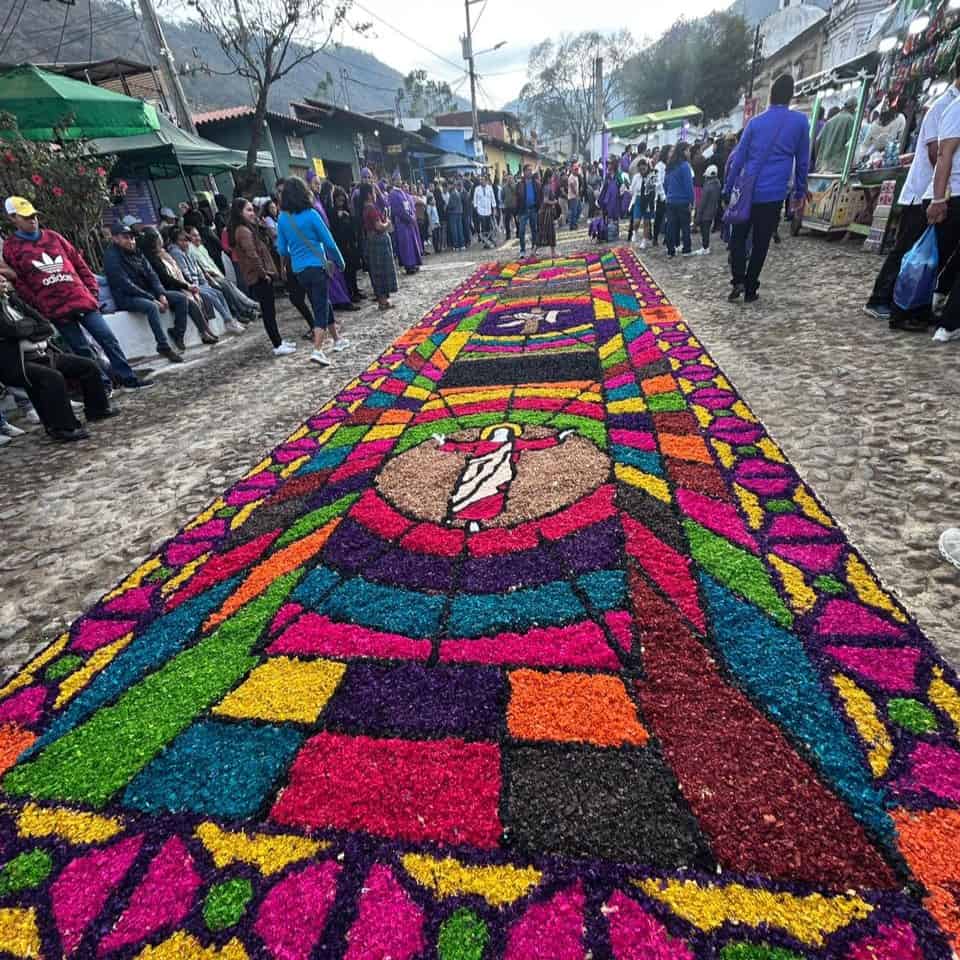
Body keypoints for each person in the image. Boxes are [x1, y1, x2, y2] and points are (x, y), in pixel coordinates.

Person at [2, 197, 150, 390]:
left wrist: (92, 290)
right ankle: (102, 385)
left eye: (34, 216)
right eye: (26, 217)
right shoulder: (12, 247)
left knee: (107, 338)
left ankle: (128, 378)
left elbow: (79, 263)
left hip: (81, 299)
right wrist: (42, 305)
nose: (32, 220)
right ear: (13, 218)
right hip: (55, 307)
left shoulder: (54, 237)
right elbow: (19, 282)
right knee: (81, 349)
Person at [865, 65, 960, 325]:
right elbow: (935, 151)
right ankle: (881, 298)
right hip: (923, 191)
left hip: (934, 190)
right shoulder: (943, 106)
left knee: (926, 254)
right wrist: (941, 190)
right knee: (908, 250)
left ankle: (912, 303)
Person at [724, 74, 810, 303]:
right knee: (761, 242)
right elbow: (803, 161)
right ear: (790, 94)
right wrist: (800, 192)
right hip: (773, 194)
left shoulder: (755, 123)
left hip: (748, 191)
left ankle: (738, 280)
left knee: (739, 238)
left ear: (771, 95)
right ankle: (751, 287)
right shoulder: (800, 122)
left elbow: (738, 158)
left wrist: (728, 187)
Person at [0, 275, 118, 441]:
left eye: (4, 279)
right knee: (52, 377)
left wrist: (27, 329)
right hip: (16, 362)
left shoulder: (14, 301)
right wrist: (30, 327)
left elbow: (45, 325)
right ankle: (62, 428)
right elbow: (11, 331)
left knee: (87, 366)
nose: (4, 282)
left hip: (44, 354)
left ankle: (97, 410)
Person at [276, 175, 349, 367]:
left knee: (322, 300)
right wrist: (340, 262)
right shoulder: (311, 214)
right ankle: (317, 349)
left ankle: (337, 339)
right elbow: (329, 242)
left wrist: (283, 266)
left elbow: (282, 249)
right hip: (317, 266)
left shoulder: (283, 218)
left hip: (299, 270)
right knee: (320, 308)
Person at [103, 222, 186, 364]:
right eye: (125, 237)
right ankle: (163, 346)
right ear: (115, 239)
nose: (130, 241)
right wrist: (152, 298)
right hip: (126, 297)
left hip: (148, 293)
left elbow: (152, 274)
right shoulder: (111, 257)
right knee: (151, 307)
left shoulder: (137, 252)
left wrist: (160, 294)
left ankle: (178, 333)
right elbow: (124, 284)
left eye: (132, 238)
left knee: (181, 298)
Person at [229, 198, 296, 357]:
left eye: (253, 209)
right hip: (258, 277)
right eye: (249, 210)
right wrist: (263, 274)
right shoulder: (243, 231)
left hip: (260, 275)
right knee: (268, 312)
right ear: (240, 212)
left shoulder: (247, 228)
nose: (252, 213)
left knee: (270, 311)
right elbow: (252, 255)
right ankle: (277, 344)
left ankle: (278, 340)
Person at [138, 229, 218, 349]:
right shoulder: (151, 258)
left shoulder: (163, 253)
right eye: (157, 239)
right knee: (189, 301)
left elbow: (178, 271)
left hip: (177, 285)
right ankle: (199, 332)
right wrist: (186, 286)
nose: (160, 241)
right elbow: (165, 278)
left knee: (203, 296)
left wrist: (189, 284)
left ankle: (206, 330)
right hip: (166, 288)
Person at [168, 229, 244, 334]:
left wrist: (204, 282)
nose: (185, 243)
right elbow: (185, 273)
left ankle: (230, 319)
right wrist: (196, 285)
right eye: (182, 241)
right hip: (190, 286)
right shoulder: (176, 252)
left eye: (186, 241)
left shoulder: (187, 250)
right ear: (175, 242)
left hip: (199, 283)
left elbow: (197, 269)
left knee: (218, 293)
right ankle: (228, 320)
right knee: (211, 295)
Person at [185, 227, 259, 323]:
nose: (197, 238)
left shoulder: (201, 247)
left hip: (216, 274)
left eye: (198, 235)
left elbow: (212, 264)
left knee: (228, 284)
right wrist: (212, 276)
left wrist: (219, 274)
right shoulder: (190, 250)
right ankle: (244, 310)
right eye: (194, 236)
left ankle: (250, 307)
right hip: (207, 278)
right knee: (225, 286)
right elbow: (202, 269)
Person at [360, 182, 398, 311]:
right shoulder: (371, 209)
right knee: (381, 271)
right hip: (378, 242)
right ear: (369, 195)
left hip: (373, 241)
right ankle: (383, 300)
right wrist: (387, 223)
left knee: (378, 271)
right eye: (374, 192)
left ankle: (384, 300)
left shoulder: (366, 208)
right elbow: (378, 226)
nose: (376, 195)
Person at [330, 187, 364, 303]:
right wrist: (339, 216)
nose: (341, 203)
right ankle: (350, 292)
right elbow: (335, 230)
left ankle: (355, 290)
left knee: (353, 269)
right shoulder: (333, 213)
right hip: (342, 246)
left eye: (342, 200)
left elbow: (352, 225)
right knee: (347, 271)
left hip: (351, 243)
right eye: (339, 200)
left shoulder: (347, 211)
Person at [664, 143, 694, 257]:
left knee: (671, 226)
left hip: (670, 201)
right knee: (685, 226)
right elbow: (689, 185)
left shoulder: (670, 166)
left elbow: (665, 183)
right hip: (682, 201)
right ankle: (686, 249)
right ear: (683, 151)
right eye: (688, 150)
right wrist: (692, 201)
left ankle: (670, 250)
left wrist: (669, 195)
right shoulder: (685, 166)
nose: (689, 153)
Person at [816, 98, 857, 174]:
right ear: (853, 107)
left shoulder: (830, 121)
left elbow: (818, 141)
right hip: (839, 167)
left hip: (824, 166)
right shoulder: (850, 119)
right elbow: (851, 143)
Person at [694, 164, 721, 255]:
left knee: (704, 231)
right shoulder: (718, 184)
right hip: (713, 210)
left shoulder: (707, 187)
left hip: (705, 213)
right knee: (707, 229)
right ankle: (706, 246)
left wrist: (698, 216)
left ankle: (705, 247)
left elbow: (702, 203)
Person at [516, 165, 541, 256]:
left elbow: (540, 196)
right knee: (521, 231)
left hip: (534, 209)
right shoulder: (520, 184)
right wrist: (517, 213)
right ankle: (522, 250)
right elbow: (517, 199)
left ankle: (534, 248)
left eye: (531, 170)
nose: (530, 172)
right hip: (523, 210)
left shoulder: (536, 183)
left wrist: (539, 208)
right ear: (524, 172)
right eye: (528, 170)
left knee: (534, 229)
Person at [538, 175, 560, 257]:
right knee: (549, 232)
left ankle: (535, 250)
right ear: (548, 178)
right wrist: (554, 202)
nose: (552, 178)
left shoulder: (546, 186)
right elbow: (545, 200)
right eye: (551, 177)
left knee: (545, 232)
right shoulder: (547, 187)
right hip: (547, 212)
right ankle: (553, 252)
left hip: (546, 212)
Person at [474, 174, 497, 249]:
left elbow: (493, 198)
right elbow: (475, 199)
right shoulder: (477, 189)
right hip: (480, 211)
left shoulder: (489, 188)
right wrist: (476, 208)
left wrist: (494, 208)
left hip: (488, 210)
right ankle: (485, 241)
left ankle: (490, 239)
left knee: (489, 226)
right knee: (483, 227)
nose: (481, 181)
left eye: (483, 180)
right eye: (481, 180)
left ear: (486, 181)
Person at [446, 181, 465, 251]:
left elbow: (451, 205)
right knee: (460, 229)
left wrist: (447, 207)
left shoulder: (453, 194)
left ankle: (456, 246)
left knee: (454, 230)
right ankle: (462, 244)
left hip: (453, 214)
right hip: (459, 213)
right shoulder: (459, 193)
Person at [501, 172, 516, 240]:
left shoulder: (515, 186)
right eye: (508, 178)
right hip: (507, 206)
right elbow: (502, 196)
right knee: (507, 222)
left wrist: (512, 186)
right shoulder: (504, 187)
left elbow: (517, 194)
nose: (510, 179)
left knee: (516, 220)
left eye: (511, 178)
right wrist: (505, 202)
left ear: (513, 179)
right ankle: (508, 235)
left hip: (515, 206)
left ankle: (518, 233)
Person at [567, 166, 581, 231]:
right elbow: (572, 187)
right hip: (572, 197)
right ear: (573, 170)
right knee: (573, 212)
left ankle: (574, 224)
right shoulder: (571, 177)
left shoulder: (576, 177)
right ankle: (572, 225)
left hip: (576, 196)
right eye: (575, 170)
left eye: (577, 170)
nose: (577, 171)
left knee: (578, 210)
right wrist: (576, 194)